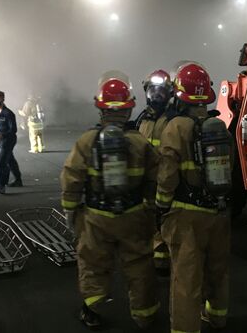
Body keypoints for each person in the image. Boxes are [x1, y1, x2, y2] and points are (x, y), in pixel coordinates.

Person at [60, 70, 160, 330]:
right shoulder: (140, 142)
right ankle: (144, 315)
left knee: (93, 264)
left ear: (101, 109)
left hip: (96, 217)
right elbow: (155, 178)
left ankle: (93, 310)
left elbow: (72, 177)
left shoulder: (87, 141)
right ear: (128, 110)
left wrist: (70, 211)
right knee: (139, 265)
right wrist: (150, 209)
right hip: (134, 214)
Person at [156, 61, 232, 332]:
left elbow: (167, 172)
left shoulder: (175, 127)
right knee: (217, 271)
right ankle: (218, 316)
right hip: (218, 213)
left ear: (179, 94)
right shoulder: (218, 126)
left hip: (186, 216)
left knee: (186, 280)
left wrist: (161, 205)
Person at [136, 69, 174, 275]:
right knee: (149, 221)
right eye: (152, 90)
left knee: (164, 221)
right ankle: (154, 260)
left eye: (161, 90)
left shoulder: (173, 119)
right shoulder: (144, 119)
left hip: (166, 180)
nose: (156, 95)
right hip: (147, 182)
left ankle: (165, 263)